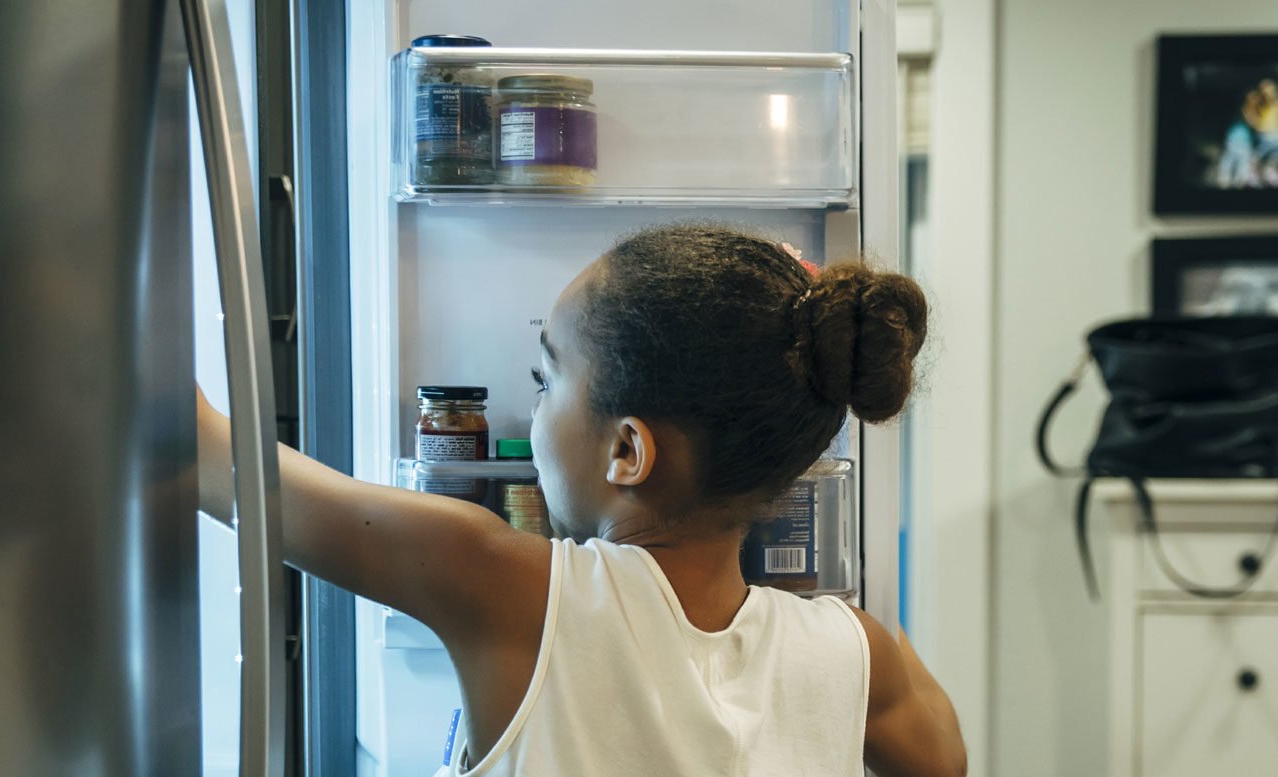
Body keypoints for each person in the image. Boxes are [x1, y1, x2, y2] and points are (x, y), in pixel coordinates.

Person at [197, 225, 965, 777]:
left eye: (546, 380)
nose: (532, 409)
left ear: (627, 451)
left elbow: (208, 459)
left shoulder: (509, 587)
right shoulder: (858, 651)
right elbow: (946, 760)